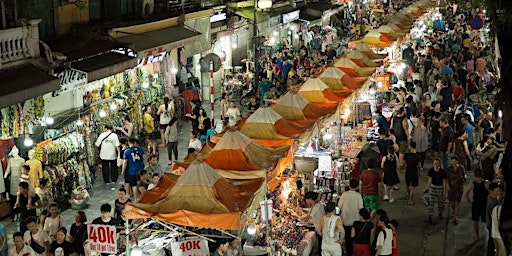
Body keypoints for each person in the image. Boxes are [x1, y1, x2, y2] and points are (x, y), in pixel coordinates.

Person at [337, 179, 363, 256]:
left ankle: (348, 252)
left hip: (345, 220)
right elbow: (361, 208)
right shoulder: (358, 196)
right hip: (355, 221)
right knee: (354, 238)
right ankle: (353, 252)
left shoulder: (344, 194)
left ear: (349, 185)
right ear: (357, 186)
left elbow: (339, 206)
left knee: (347, 237)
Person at [463, 169, 489, 241]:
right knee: (486, 220)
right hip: (484, 203)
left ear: (474, 175)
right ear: (482, 174)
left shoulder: (472, 184)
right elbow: (491, 193)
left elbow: (466, 193)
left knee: (475, 220)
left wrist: (470, 202)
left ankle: (476, 235)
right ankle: (488, 233)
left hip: (476, 204)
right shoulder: (486, 183)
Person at [424, 159, 447, 224]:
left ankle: (440, 213)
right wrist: (427, 188)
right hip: (433, 188)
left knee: (441, 203)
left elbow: (444, 182)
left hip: (440, 188)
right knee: (431, 202)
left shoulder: (443, 172)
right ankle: (430, 216)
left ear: (439, 164)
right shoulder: (431, 170)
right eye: (434, 163)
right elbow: (430, 179)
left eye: (437, 163)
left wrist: (444, 191)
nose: (436, 165)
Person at [447, 156, 465, 224]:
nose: (453, 163)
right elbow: (447, 178)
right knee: (452, 202)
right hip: (451, 187)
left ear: (457, 161)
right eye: (452, 161)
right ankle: (454, 212)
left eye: (455, 161)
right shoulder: (449, 169)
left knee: (457, 202)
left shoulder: (461, 168)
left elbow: (464, 175)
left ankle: (456, 216)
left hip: (459, 188)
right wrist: (448, 186)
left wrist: (463, 179)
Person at [486, 182, 503, 256]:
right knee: (491, 242)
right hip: (491, 225)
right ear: (491, 191)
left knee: (491, 241)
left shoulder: (491, 197)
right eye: (496, 191)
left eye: (499, 190)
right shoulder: (493, 203)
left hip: (489, 223)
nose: (498, 192)